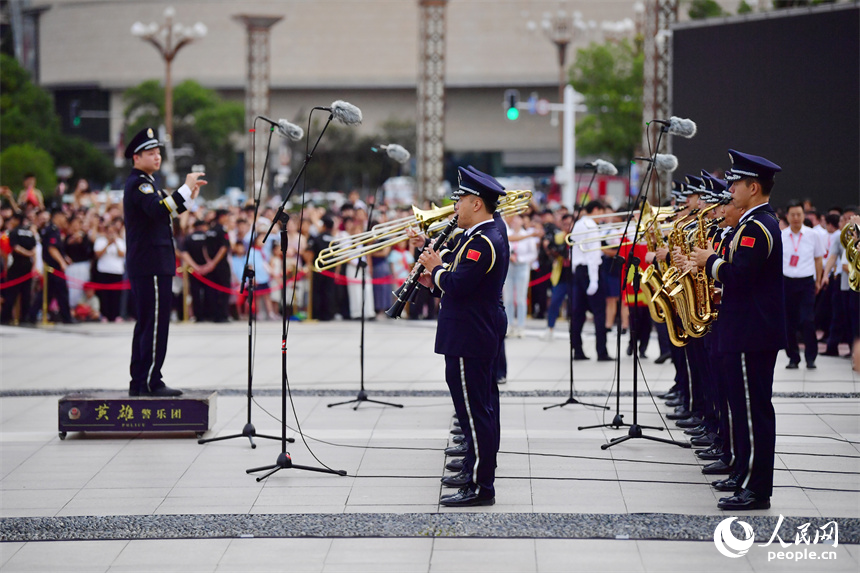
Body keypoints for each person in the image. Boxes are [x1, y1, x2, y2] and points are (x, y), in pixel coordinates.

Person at [693, 149, 785, 511]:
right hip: (745, 329)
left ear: (753, 187)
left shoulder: (758, 227)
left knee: (751, 410)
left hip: (752, 332)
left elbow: (741, 276)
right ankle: (744, 475)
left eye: (736, 183)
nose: (730, 189)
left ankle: (755, 488)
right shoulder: (751, 224)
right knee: (744, 407)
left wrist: (710, 261)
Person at [417, 166, 508, 507]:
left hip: (471, 332)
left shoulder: (484, 241)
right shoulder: (479, 235)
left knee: (474, 411)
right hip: (469, 329)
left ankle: (481, 485)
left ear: (476, 203)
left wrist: (435, 269)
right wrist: (435, 275)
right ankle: (473, 471)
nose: (455, 207)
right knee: (475, 407)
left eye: (460, 201)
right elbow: (456, 279)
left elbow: (458, 284)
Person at [123, 127, 206, 397]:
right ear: (136, 157)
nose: (157, 157)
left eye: (158, 152)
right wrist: (184, 186)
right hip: (151, 263)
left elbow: (165, 211)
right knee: (155, 323)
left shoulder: (148, 183)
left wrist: (189, 195)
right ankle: (150, 381)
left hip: (151, 262)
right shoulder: (140, 183)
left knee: (149, 322)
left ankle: (141, 381)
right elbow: (158, 210)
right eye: (151, 153)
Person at [781, 201, 825, 369]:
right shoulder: (782, 235)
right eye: (793, 215)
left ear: (803, 215)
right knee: (789, 322)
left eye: (799, 214)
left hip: (807, 282)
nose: (796, 218)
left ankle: (811, 357)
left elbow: (818, 258)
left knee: (807, 320)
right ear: (788, 216)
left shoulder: (813, 235)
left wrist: (818, 280)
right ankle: (793, 357)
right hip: (787, 282)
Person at [0, 212, 37, 325]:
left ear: (16, 220)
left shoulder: (14, 232)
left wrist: (27, 253)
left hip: (17, 265)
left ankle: (5, 318)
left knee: (11, 293)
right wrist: (32, 260)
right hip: (28, 267)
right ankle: (24, 317)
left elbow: (16, 248)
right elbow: (35, 249)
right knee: (26, 293)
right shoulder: (30, 233)